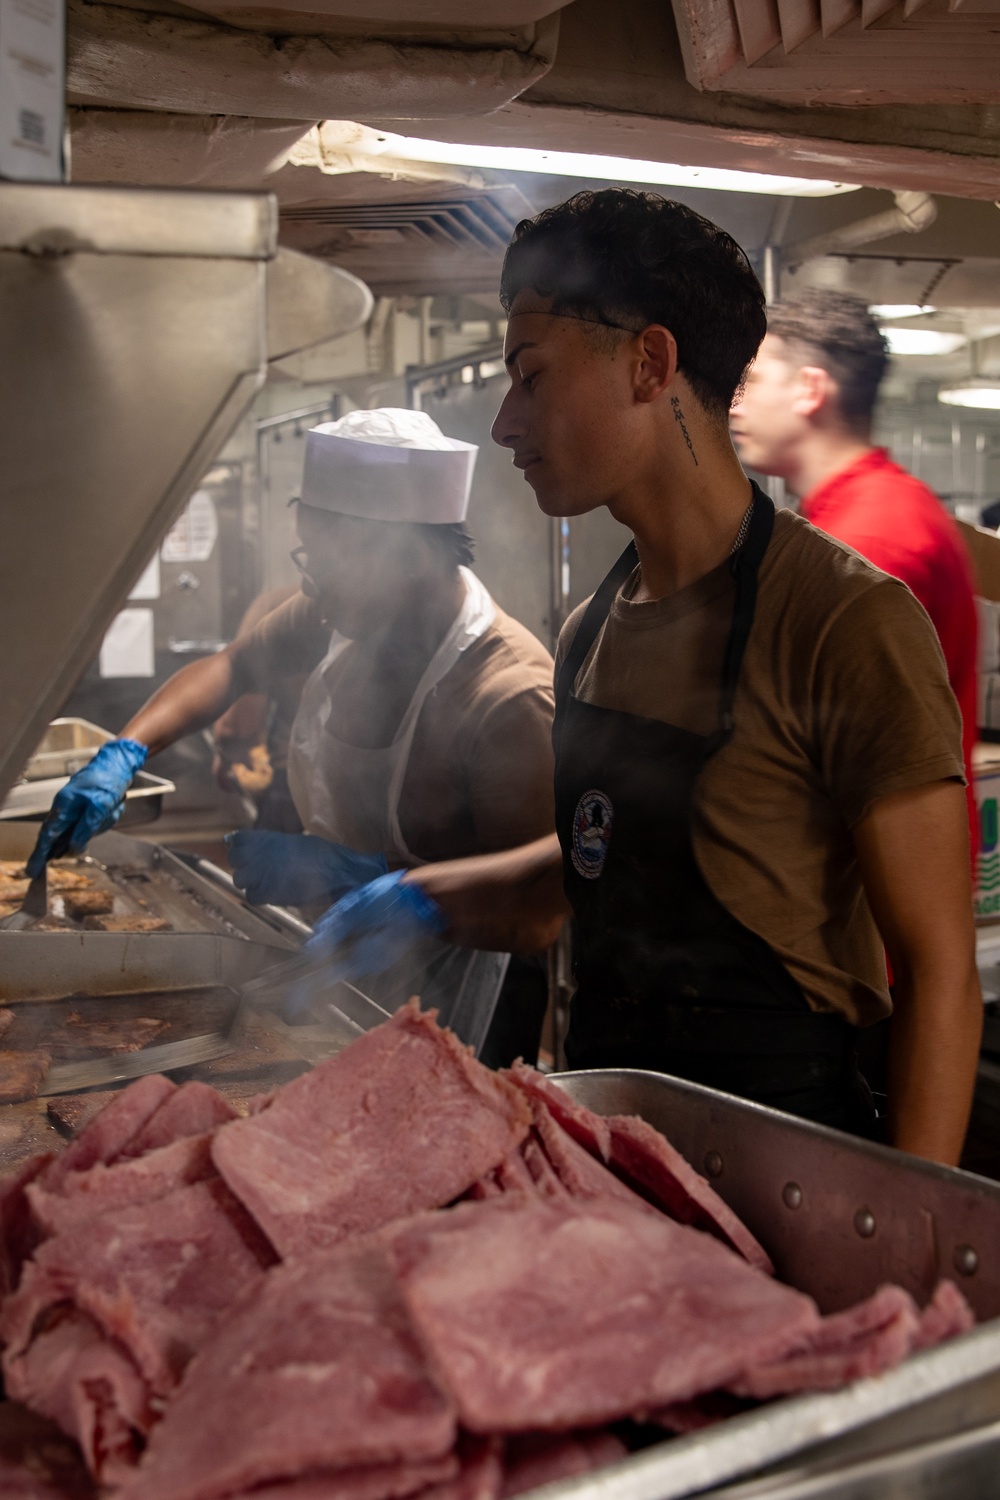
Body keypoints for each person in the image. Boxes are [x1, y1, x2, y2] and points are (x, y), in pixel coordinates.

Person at [303, 190, 982, 1166]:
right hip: (613, 1146)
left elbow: (939, 972)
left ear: (649, 364)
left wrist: (905, 1221)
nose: (504, 423)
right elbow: (597, 866)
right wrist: (414, 896)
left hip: (784, 1160)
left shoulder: (842, 620)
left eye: (530, 375)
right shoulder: (592, 628)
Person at [27, 407, 557, 1062]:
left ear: (411, 558)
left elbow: (539, 913)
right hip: (346, 959)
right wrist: (124, 752)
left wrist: (400, 891)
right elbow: (233, 666)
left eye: (330, 564)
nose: (311, 586)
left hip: (463, 989)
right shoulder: (340, 613)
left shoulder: (508, 696)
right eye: (310, 557)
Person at [729, 289, 979, 860]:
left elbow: (844, 750)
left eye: (754, 380)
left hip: (867, 887)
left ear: (810, 389)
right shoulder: (860, 513)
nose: (735, 403)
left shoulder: (868, 541)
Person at [211, 584, 304, 833]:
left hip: (296, 780)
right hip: (370, 787)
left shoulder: (275, 605)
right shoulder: (378, 598)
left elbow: (241, 723)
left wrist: (226, 753)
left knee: (275, 855)